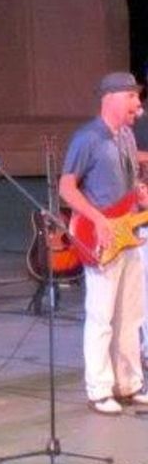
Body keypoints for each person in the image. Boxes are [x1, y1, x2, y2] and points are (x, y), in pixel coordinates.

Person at [60, 71, 148, 415]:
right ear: (111, 98)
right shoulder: (87, 138)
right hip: (101, 237)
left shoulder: (125, 136)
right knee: (102, 317)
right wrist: (98, 219)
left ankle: (128, 384)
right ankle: (98, 389)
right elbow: (67, 188)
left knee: (130, 315)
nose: (138, 105)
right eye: (132, 97)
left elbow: (125, 183)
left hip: (129, 234)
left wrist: (139, 195)